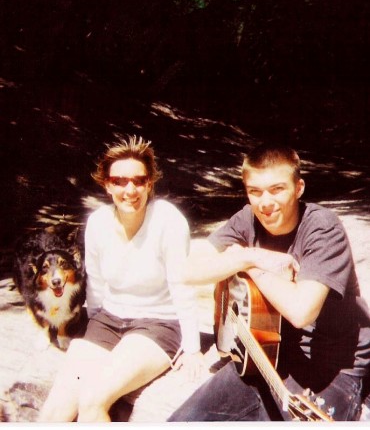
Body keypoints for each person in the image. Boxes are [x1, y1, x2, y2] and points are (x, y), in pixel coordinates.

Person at [168, 142, 370, 422]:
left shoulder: (323, 228)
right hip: (263, 352)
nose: (265, 203)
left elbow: (301, 312)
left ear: (299, 188)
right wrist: (252, 257)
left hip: (333, 366)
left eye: (277, 189)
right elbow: (185, 271)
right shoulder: (247, 219)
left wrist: (251, 267)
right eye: (255, 191)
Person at [38, 135, 203, 422]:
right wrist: (91, 331)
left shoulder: (168, 220)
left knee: (92, 401)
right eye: (120, 181)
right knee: (53, 412)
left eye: (139, 181)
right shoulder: (99, 223)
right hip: (108, 322)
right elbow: (97, 286)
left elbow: (182, 285)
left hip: (157, 324)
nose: (130, 189)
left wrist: (193, 348)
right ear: (107, 184)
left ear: (150, 183)